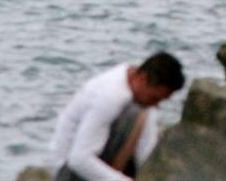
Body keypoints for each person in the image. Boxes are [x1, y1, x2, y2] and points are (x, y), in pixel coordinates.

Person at [46, 52, 185, 181]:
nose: (156, 105)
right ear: (143, 79)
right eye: (155, 98)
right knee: (135, 113)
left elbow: (146, 151)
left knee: (142, 112)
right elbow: (79, 159)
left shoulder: (140, 95)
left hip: (102, 163)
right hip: (69, 171)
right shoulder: (110, 97)